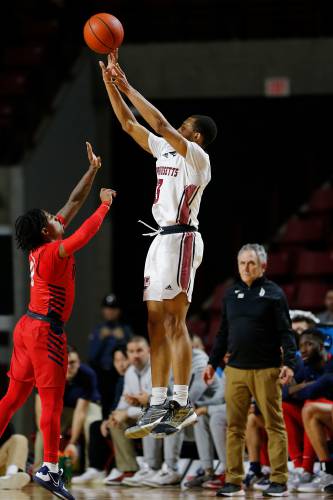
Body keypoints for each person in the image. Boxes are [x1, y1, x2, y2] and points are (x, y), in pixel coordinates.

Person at [99, 50, 217, 438]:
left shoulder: (197, 157)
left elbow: (161, 122)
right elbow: (130, 124)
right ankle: (158, 400)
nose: (176, 128)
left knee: (174, 320)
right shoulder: (165, 149)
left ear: (195, 135)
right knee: (153, 321)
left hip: (183, 237)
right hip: (159, 239)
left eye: (185, 126)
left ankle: (182, 403)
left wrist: (127, 84)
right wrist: (111, 87)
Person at [0, 142, 115, 500]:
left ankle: (47, 464)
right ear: (47, 231)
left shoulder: (43, 242)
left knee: (13, 397)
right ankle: (50, 467)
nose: (57, 217)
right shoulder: (53, 251)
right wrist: (106, 204)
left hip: (27, 328)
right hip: (45, 331)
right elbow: (84, 234)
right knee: (51, 400)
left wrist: (93, 170)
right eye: (51, 218)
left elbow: (72, 201)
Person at [203, 243, 297, 497]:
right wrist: (212, 363)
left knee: (273, 425)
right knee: (234, 427)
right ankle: (233, 480)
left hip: (266, 370)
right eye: (242, 263)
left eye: (251, 263)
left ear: (263, 266)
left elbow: (286, 333)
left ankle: (279, 479)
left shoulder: (275, 293)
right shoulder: (231, 294)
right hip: (235, 370)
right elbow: (222, 332)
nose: (246, 267)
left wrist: (289, 363)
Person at [34, 345, 102, 470]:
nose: (68, 367)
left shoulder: (87, 375)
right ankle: (40, 470)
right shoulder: (45, 374)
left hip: (88, 406)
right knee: (45, 426)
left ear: (79, 362)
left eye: (72, 363)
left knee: (91, 424)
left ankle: (92, 470)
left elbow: (80, 412)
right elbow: (41, 411)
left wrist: (72, 443)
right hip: (61, 409)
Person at [71, 344, 129, 484]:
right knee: (96, 426)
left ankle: (121, 467)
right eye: (116, 361)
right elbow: (117, 404)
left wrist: (115, 417)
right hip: (123, 415)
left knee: (113, 424)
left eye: (123, 359)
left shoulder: (134, 375)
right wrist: (108, 418)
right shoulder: (120, 379)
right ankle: (95, 469)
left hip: (135, 417)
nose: (120, 364)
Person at [88, 293, 133, 417]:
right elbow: (91, 356)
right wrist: (100, 339)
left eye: (113, 309)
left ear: (118, 311)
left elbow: (132, 354)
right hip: (101, 374)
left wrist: (123, 339)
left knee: (119, 400)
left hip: (119, 373)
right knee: (102, 404)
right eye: (107, 309)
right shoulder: (98, 330)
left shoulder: (125, 330)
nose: (110, 312)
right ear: (103, 310)